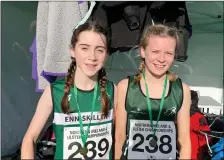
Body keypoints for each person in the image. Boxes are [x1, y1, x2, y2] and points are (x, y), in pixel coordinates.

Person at [21, 20, 117, 160]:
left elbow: (117, 137)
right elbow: (29, 139)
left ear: (107, 55)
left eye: (100, 50)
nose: (92, 56)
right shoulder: (54, 91)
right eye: (84, 48)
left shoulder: (113, 89)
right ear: (72, 50)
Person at [115, 24, 191, 159]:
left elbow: (184, 141)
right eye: (155, 51)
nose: (161, 59)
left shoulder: (182, 90)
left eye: (168, 53)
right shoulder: (125, 87)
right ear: (143, 51)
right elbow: (120, 137)